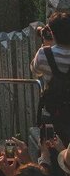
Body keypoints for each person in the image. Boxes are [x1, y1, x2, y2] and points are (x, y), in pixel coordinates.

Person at [31, 12, 70, 142]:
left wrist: (46, 45)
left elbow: (35, 70)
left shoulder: (44, 54)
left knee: (53, 146)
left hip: (54, 113)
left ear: (52, 33)